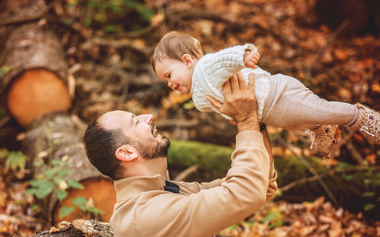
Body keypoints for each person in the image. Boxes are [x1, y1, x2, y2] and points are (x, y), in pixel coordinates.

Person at [84, 73, 278, 237]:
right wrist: (246, 122)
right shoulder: (146, 215)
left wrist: (257, 124)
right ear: (127, 153)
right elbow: (246, 192)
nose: (148, 116)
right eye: (136, 122)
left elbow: (261, 186)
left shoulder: (165, 194)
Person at [151, 31, 379, 155]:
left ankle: (360, 117)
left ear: (188, 60)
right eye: (165, 81)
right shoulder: (199, 90)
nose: (169, 84)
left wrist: (244, 55)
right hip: (272, 111)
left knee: (321, 109)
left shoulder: (204, 68)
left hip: (278, 95)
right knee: (305, 119)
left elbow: (223, 59)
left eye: (169, 75)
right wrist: (234, 117)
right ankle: (322, 128)